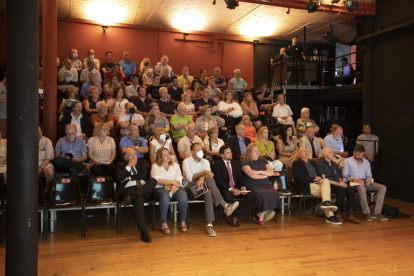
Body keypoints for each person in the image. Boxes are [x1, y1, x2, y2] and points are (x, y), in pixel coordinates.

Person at [182, 143, 240, 237]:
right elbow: (190, 178)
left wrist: (202, 178)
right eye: (198, 150)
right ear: (192, 152)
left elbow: (211, 175)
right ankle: (225, 205)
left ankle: (209, 224)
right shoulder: (186, 161)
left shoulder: (205, 161)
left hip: (203, 188)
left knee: (208, 191)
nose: (201, 151)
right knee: (208, 180)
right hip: (190, 189)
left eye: (202, 149)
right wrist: (204, 174)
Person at [115, 148, 156, 243]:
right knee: (139, 199)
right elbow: (119, 177)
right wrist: (129, 166)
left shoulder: (141, 164)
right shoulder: (121, 165)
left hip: (143, 189)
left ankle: (133, 197)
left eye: (135, 155)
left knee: (153, 180)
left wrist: (129, 177)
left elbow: (143, 174)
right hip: (128, 190)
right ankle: (143, 231)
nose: (134, 157)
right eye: (131, 155)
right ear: (125, 157)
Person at [292, 147, 341, 225]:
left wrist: (319, 177)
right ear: (299, 154)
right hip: (307, 184)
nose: (307, 153)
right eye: (304, 151)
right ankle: (330, 216)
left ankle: (326, 203)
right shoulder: (297, 163)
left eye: (307, 151)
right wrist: (313, 179)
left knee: (325, 181)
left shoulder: (312, 162)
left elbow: (318, 173)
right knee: (325, 193)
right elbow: (299, 177)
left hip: (318, 182)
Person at [212, 145, 256, 227]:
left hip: (236, 187)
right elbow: (218, 181)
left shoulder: (236, 163)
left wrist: (243, 187)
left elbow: (240, 177)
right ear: (222, 155)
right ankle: (234, 216)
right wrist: (231, 189)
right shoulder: (217, 164)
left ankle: (233, 215)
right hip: (225, 188)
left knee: (251, 195)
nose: (231, 154)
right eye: (228, 153)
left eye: (231, 152)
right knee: (228, 197)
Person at [342, 144, 388, 222]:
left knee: (383, 187)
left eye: (362, 155)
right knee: (361, 188)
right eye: (358, 155)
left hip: (365, 182)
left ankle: (376, 212)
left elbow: (369, 176)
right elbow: (344, 177)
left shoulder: (366, 162)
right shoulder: (347, 161)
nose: (360, 157)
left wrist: (369, 180)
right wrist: (354, 180)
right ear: (353, 153)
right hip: (354, 183)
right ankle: (367, 213)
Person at [317, 147, 360, 224]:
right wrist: (338, 184)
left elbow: (339, 177)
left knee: (350, 190)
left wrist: (342, 182)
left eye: (332, 152)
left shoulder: (334, 164)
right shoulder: (320, 164)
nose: (333, 153)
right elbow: (324, 179)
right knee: (341, 189)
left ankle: (350, 214)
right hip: (329, 185)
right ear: (325, 154)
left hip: (338, 183)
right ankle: (337, 213)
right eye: (330, 152)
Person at [241, 143, 281, 225]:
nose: (257, 152)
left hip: (266, 184)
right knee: (263, 194)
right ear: (250, 152)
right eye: (255, 151)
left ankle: (261, 214)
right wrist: (265, 175)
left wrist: (259, 172)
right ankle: (260, 217)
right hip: (253, 184)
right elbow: (251, 176)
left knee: (275, 193)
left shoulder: (263, 160)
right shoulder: (245, 161)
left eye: (258, 150)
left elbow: (271, 172)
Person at [151, 148, 188, 233]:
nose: (168, 156)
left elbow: (178, 178)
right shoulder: (155, 166)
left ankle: (183, 222)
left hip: (175, 187)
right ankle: (164, 223)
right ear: (160, 158)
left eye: (168, 154)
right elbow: (158, 180)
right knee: (164, 196)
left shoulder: (175, 165)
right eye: (165, 155)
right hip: (160, 188)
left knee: (183, 195)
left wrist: (175, 185)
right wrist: (172, 182)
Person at [38, 127, 54, 194]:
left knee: (50, 171)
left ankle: (47, 190)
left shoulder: (47, 141)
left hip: (45, 162)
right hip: (31, 162)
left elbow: (48, 158)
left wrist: (41, 168)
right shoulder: (27, 141)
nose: (39, 133)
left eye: (40, 131)